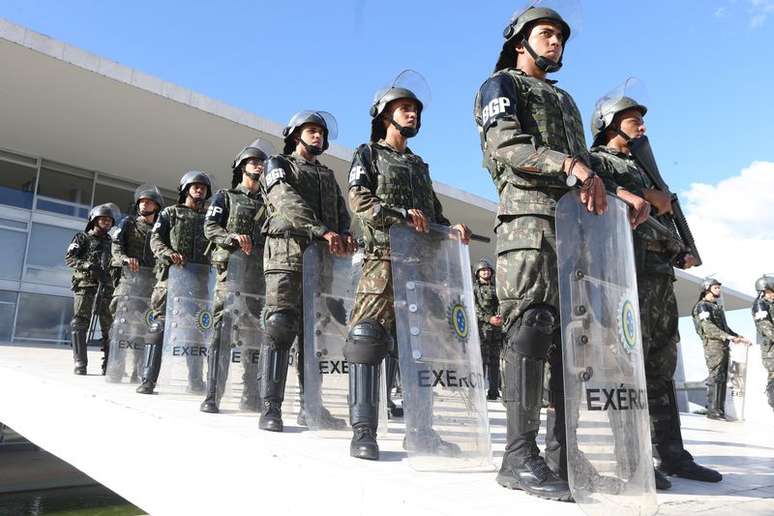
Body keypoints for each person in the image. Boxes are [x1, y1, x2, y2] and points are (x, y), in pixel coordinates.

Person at [473, 5, 607, 500]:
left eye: (560, 37)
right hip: (528, 222)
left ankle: (563, 455)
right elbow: (508, 146)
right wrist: (569, 164)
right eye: (546, 34)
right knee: (530, 329)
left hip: (575, 230)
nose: (556, 43)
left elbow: (588, 164)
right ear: (518, 41)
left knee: (571, 344)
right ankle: (518, 455)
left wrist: (625, 194)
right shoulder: (501, 86)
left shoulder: (566, 100)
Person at [590, 93, 722, 488]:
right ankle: (630, 458)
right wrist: (648, 197)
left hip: (658, 275)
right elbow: (595, 197)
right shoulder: (597, 163)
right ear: (610, 124)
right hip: (624, 274)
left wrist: (679, 247)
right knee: (626, 370)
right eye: (633, 121)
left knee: (661, 369)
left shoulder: (646, 168)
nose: (642, 126)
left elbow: (659, 220)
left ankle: (672, 454)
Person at [346, 79, 471, 460]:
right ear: (386, 115)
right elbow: (359, 200)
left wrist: (451, 229)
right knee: (367, 337)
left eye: (416, 110)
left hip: (421, 266)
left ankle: (422, 430)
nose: (413, 114)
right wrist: (399, 215)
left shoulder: (419, 165)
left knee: (421, 345)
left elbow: (432, 214)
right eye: (405, 108)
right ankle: (363, 432)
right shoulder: (368, 154)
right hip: (382, 258)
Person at [258, 111, 354, 432]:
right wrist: (321, 229)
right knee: (280, 325)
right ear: (295, 134)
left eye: (321, 133)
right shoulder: (278, 165)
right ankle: (271, 408)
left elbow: (341, 211)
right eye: (311, 131)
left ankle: (311, 407)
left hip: (320, 260)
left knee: (314, 335)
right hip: (287, 253)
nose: (318, 137)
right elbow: (285, 200)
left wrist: (344, 233)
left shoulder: (327, 175)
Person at [200, 139, 273, 413]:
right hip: (230, 273)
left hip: (259, 276)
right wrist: (231, 237)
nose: (258, 165)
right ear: (242, 166)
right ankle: (212, 394)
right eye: (253, 161)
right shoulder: (225, 196)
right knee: (222, 331)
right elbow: (210, 227)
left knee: (254, 334)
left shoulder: (269, 201)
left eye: (261, 162)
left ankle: (251, 394)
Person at [136, 171, 212, 395]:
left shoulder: (210, 217)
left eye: (203, 187)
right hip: (171, 279)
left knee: (198, 329)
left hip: (200, 283)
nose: (199, 190)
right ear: (185, 189)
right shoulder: (171, 213)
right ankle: (148, 379)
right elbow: (155, 240)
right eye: (195, 186)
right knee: (159, 325)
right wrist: (169, 254)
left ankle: (195, 381)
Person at [109, 184, 163, 382]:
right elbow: (116, 246)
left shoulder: (160, 228)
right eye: (141, 201)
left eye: (148, 202)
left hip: (151, 284)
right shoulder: (128, 223)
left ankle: (138, 371)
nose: (143, 204)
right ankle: (115, 367)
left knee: (144, 329)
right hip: (129, 281)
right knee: (121, 324)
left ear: (156, 206)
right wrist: (124, 258)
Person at [65, 203, 115, 375]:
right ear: (94, 220)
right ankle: (80, 362)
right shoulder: (82, 238)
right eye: (103, 219)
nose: (106, 222)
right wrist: (88, 265)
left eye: (109, 220)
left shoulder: (112, 242)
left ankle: (108, 365)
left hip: (107, 288)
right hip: (85, 286)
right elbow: (70, 258)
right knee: (80, 323)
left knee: (109, 327)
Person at [692, 279, 747, 420]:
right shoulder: (702, 307)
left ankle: (719, 409)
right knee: (715, 376)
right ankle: (713, 410)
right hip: (713, 346)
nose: (719, 290)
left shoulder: (715, 307)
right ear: (707, 289)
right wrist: (727, 336)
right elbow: (708, 327)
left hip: (723, 345)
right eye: (716, 287)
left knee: (722, 377)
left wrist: (737, 336)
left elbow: (724, 327)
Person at [473, 258, 503, 400]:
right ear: (477, 273)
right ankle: (479, 390)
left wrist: (498, 317)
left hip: (496, 329)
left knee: (495, 360)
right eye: (483, 270)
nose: (486, 272)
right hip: (481, 329)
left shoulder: (497, 288)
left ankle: (493, 390)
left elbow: (501, 304)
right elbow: (475, 308)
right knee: (481, 360)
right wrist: (488, 318)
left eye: (488, 270)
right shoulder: (474, 289)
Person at [752, 275, 774, 412]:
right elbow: (766, 327)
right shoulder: (760, 305)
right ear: (763, 291)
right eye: (771, 291)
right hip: (770, 350)